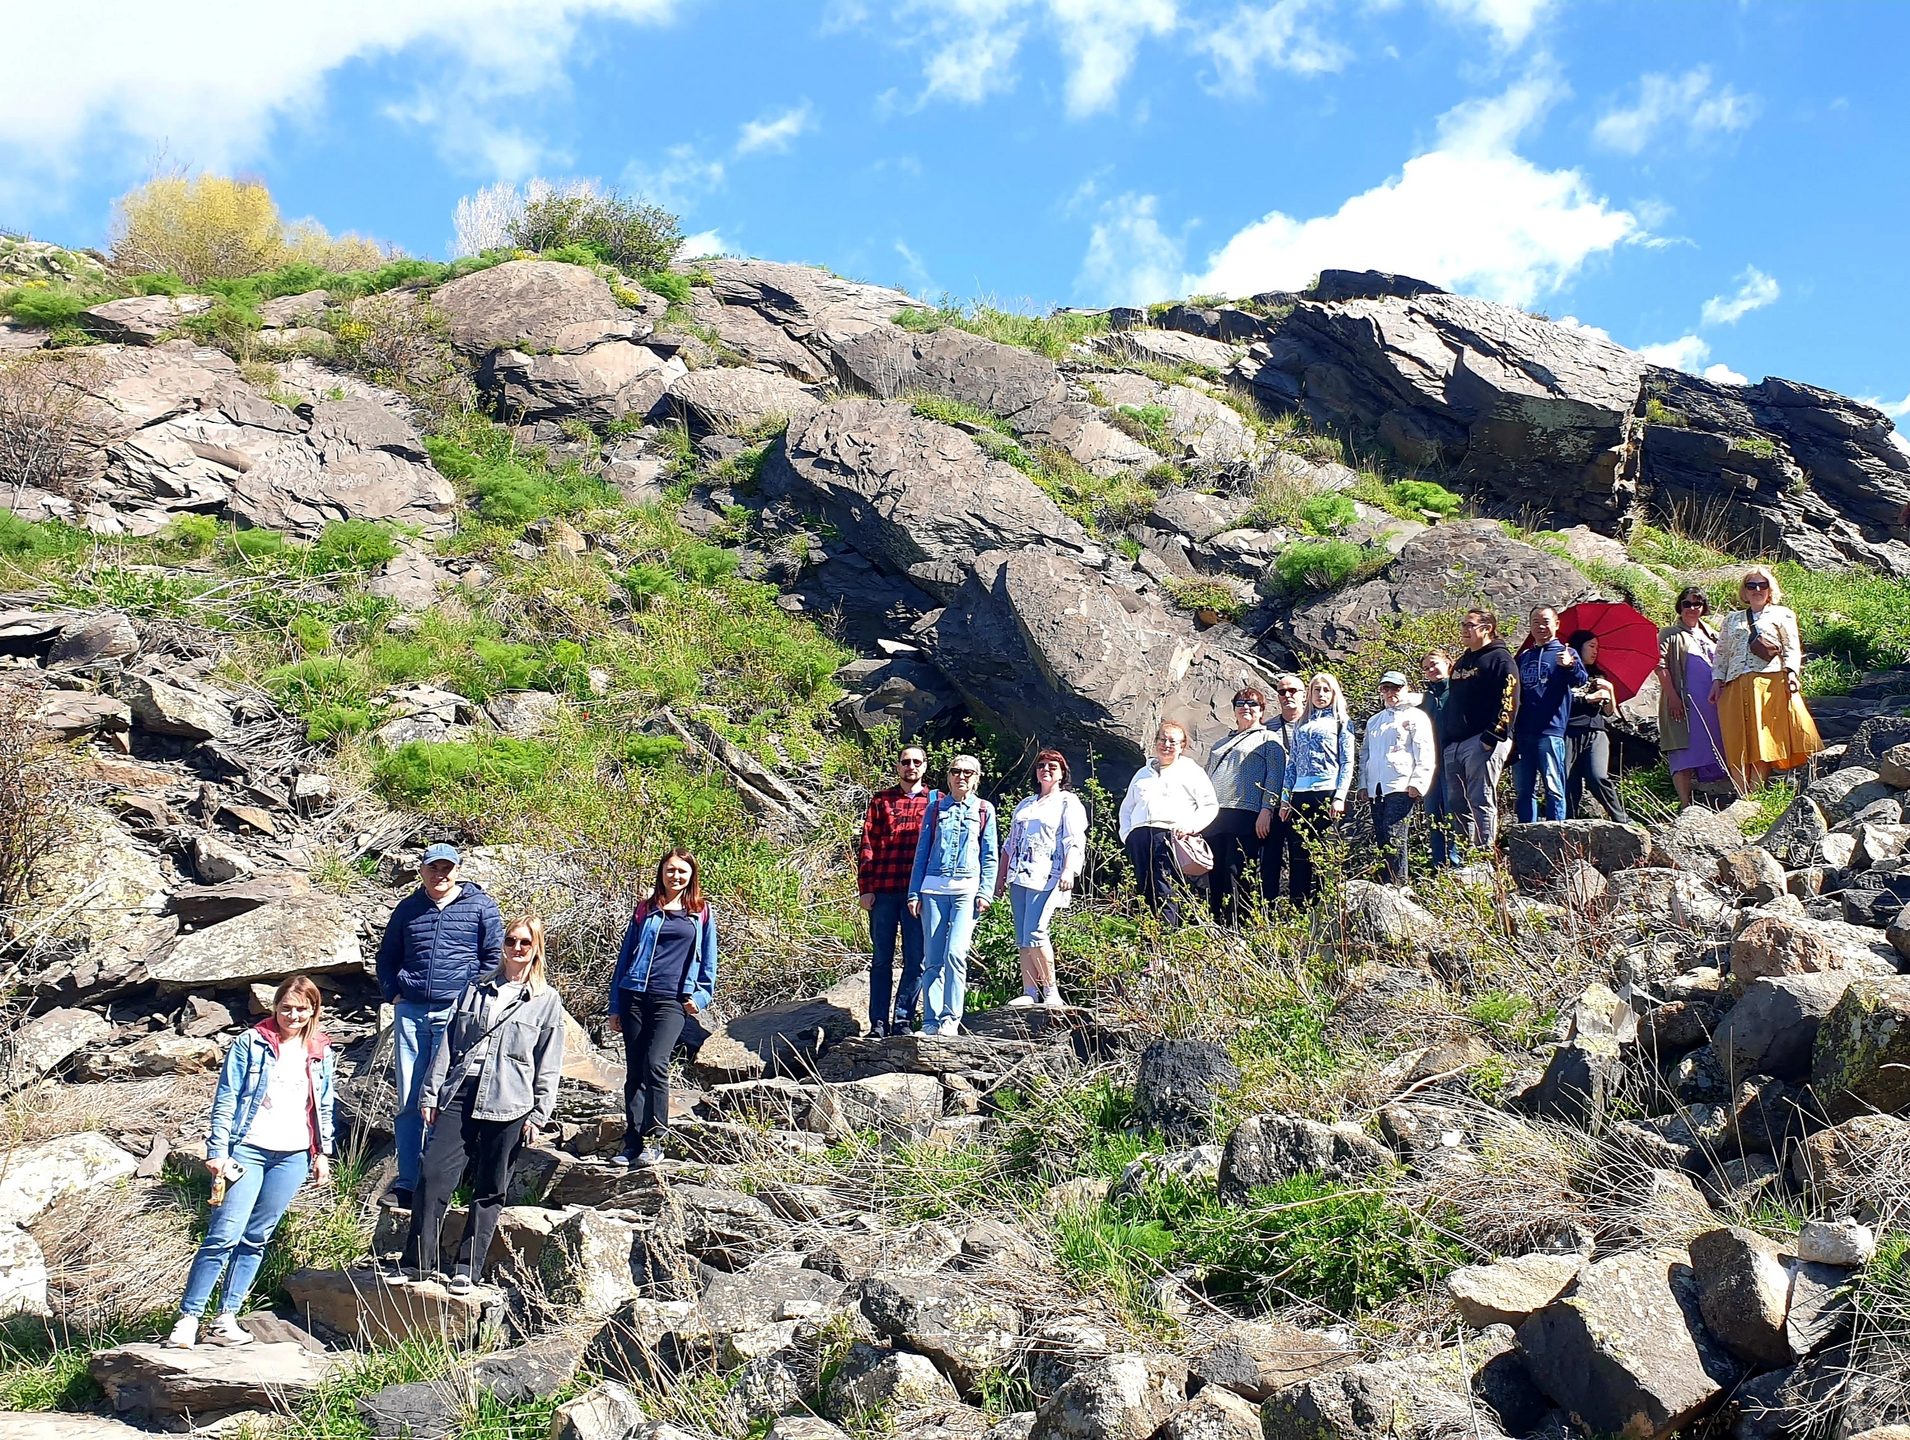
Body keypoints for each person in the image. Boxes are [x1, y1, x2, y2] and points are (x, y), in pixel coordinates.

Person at [393, 915, 565, 1291]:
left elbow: (549, 1062)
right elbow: (448, 1043)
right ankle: (418, 1262)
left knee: (489, 1186)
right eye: (511, 940)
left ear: (536, 948)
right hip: (461, 1091)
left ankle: (467, 1268)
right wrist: (431, 1092)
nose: (516, 948)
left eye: (525, 942)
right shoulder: (477, 987)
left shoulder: (546, 1001)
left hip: (511, 1100)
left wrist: (539, 1113)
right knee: (433, 1174)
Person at [166, 976, 334, 1349]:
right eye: (286, 1008)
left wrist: (322, 1153)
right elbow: (227, 1096)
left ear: (313, 1011)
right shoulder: (251, 1043)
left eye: (301, 1009)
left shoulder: (320, 1050)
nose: (293, 1016)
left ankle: (226, 1318)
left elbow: (323, 1105)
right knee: (224, 1234)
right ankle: (188, 1318)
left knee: (256, 1237)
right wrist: (217, 1150)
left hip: (293, 1155)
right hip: (248, 1149)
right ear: (275, 1007)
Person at [375, 842, 504, 1208]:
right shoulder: (408, 908)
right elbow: (387, 955)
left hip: (455, 1013)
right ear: (422, 871)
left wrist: (470, 998)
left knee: (444, 1098)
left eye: (447, 867)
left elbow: (493, 957)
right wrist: (392, 992)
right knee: (409, 1100)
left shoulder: (480, 906)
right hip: (411, 1012)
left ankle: (434, 1184)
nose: (440, 874)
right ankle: (407, 1183)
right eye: (433, 867)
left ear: (457, 870)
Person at [607, 851, 717, 1167]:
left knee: (655, 1063)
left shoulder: (701, 912)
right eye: (670, 870)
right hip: (635, 995)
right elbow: (625, 958)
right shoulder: (646, 909)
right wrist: (615, 1005)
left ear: (691, 875)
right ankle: (632, 1143)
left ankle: (655, 1140)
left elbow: (709, 960)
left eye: (682, 871)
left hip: (672, 1000)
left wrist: (701, 996)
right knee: (635, 1070)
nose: (675, 876)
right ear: (662, 873)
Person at [908, 757, 999, 1037]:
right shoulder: (935, 808)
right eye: (956, 771)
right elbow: (922, 853)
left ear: (977, 778)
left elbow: (990, 855)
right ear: (948, 776)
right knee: (932, 958)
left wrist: (985, 891)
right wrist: (914, 892)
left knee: (956, 953)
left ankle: (951, 1019)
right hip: (933, 890)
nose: (961, 776)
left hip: (967, 891)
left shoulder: (984, 809)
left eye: (968, 772)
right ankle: (931, 1021)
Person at [1711, 565, 1822, 790]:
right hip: (1735, 682)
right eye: (1751, 585)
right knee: (1737, 738)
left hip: (1768, 681)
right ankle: (1742, 794)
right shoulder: (1731, 619)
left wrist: (1792, 673)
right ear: (1744, 590)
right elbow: (1722, 653)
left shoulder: (1783, 614)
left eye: (1762, 585)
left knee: (1762, 738)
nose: (1757, 590)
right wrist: (1717, 680)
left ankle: (1755, 791)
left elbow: (1791, 647)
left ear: (1770, 589)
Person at [999, 750, 1088, 1009]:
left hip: (1048, 875)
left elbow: (1074, 839)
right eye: (1041, 765)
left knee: (1037, 931)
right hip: (1019, 876)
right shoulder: (1025, 804)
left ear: (1062, 773)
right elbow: (1010, 843)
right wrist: (1000, 877)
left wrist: (1069, 870)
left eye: (1052, 766)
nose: (1046, 769)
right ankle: (1029, 991)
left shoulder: (1067, 801)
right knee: (1023, 936)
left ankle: (1051, 991)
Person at [857, 746, 931, 1037]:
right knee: (880, 961)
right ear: (898, 767)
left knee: (915, 961)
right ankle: (878, 1023)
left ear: (924, 766)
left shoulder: (935, 801)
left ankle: (903, 1021)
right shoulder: (881, 800)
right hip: (883, 892)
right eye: (905, 762)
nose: (911, 766)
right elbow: (867, 845)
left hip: (917, 895)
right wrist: (866, 888)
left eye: (916, 762)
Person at [1119, 722, 1219, 925]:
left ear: (1183, 746)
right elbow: (1126, 808)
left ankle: (1166, 936)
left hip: (1168, 835)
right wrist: (1127, 835)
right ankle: (1148, 935)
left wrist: (1191, 827)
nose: (1166, 745)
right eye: (1162, 739)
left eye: (1173, 741)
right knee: (1143, 888)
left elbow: (1209, 805)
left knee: (1165, 887)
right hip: (1139, 836)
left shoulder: (1191, 771)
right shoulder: (1142, 773)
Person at [1202, 688, 1280, 924]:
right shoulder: (1221, 742)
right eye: (1241, 703)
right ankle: (1215, 923)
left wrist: (1267, 809)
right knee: (1213, 870)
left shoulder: (1269, 739)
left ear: (1262, 711)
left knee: (1237, 870)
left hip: (1246, 812)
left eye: (1252, 704)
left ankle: (1238, 924)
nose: (1246, 707)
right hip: (1215, 814)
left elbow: (1275, 776)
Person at [1445, 609, 1520, 851]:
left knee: (1480, 798)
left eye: (1470, 625)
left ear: (1487, 628)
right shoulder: (1461, 663)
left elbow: (1510, 699)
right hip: (1455, 744)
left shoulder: (1501, 659)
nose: (1464, 630)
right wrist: (1447, 740)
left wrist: (1492, 736)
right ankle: (1465, 855)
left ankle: (1484, 853)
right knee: (1457, 803)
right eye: (1463, 624)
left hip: (1483, 741)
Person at [1277, 674, 1356, 903]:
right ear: (1309, 694)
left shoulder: (1342, 721)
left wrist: (1340, 796)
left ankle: (1324, 906)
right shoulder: (1301, 723)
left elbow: (1347, 761)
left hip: (1327, 791)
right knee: (1298, 853)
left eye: (1326, 690)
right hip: (1300, 793)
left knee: (1324, 852)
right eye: (1317, 690)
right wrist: (1285, 798)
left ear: (1334, 693)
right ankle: (1298, 906)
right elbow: (1292, 764)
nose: (1321, 694)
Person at [1360, 672, 1436, 886]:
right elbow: (1365, 754)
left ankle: (1399, 884)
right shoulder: (1375, 721)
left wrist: (1418, 782)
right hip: (1376, 787)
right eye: (1386, 688)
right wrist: (1363, 784)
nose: (1391, 692)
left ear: (1406, 688)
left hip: (1402, 784)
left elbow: (1425, 751)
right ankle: (1387, 882)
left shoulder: (1416, 716)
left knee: (1395, 835)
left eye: (1396, 687)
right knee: (1382, 837)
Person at [1655, 587, 1728, 807]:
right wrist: (1673, 698)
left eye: (1697, 604)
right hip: (1684, 703)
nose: (1692, 608)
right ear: (1680, 606)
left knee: (1718, 746)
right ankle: (1685, 804)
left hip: (1713, 703)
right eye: (1687, 604)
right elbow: (1660, 666)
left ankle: (1718, 797)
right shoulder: (1669, 633)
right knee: (1682, 750)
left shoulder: (1711, 632)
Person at [1512, 607, 1586, 824]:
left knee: (1553, 786)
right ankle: (1527, 833)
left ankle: (1557, 833)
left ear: (1556, 624)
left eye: (1545, 621)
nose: (1540, 626)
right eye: (1535, 622)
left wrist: (1570, 666)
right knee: (1524, 789)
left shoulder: (1566, 653)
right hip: (1524, 732)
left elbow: (1580, 679)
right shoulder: (1524, 657)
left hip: (1551, 730)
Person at [1564, 633, 1629, 822]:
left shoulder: (1599, 676)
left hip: (1595, 731)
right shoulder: (1564, 673)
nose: (1595, 651)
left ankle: (1621, 818)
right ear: (1579, 647)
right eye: (1591, 646)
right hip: (1569, 731)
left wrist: (1610, 689)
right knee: (1569, 780)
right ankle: (1569, 822)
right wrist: (1587, 697)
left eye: (1597, 648)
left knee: (1597, 776)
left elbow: (1609, 711)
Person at [1256, 675, 1306, 903]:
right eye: (1282, 691)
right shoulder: (1267, 729)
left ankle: (1302, 907)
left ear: (1304, 694)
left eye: (1292, 690)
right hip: (1274, 802)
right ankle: (1267, 909)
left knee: (1303, 857)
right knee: (1269, 859)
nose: (1287, 695)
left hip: (1305, 800)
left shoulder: (1313, 724)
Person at [1418, 651, 1458, 869]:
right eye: (1426, 668)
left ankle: (1457, 863)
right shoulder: (1425, 699)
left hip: (1453, 759)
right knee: (1434, 816)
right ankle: (1438, 866)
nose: (1431, 670)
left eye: (1434, 664)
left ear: (1448, 663)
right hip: (1430, 765)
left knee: (1454, 813)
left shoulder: (1458, 690)